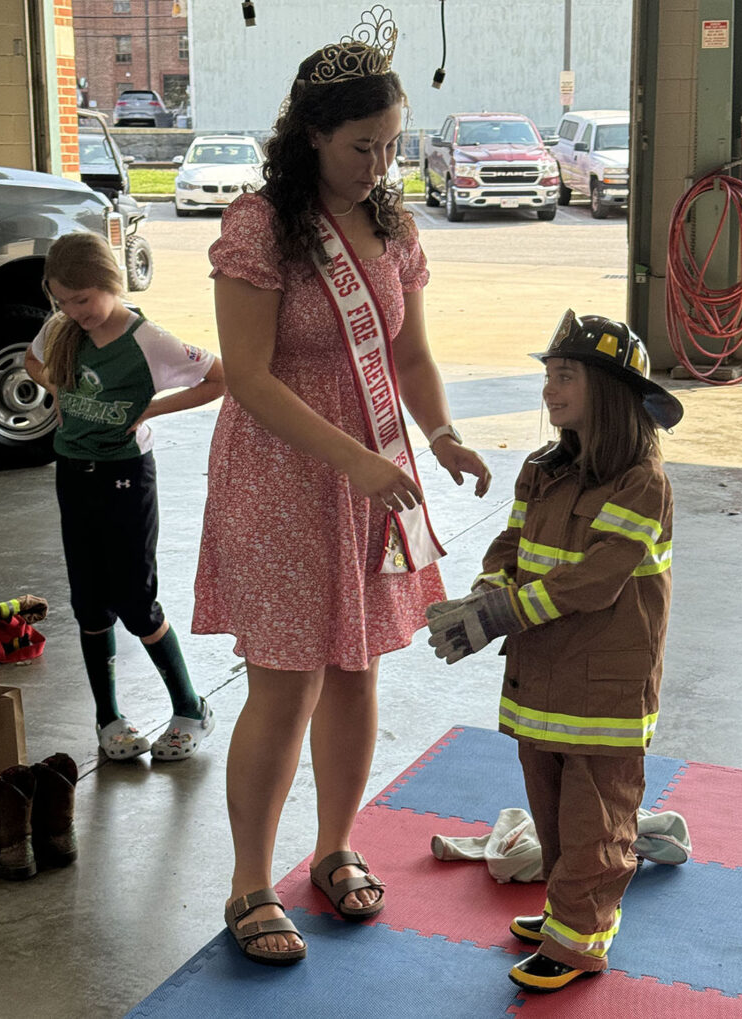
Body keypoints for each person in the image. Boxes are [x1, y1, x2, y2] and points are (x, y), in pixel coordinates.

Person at [192, 7, 491, 967]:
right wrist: (361, 458)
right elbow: (248, 376)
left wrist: (437, 434)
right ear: (312, 135)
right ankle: (248, 881)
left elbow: (410, 352)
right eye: (363, 145)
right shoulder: (258, 227)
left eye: (393, 145)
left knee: (358, 670)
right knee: (287, 680)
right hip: (283, 478)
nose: (379, 164)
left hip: (371, 480)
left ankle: (334, 847)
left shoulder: (390, 222)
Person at [427, 310, 684, 992]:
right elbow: (509, 548)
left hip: (606, 689)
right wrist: (485, 589)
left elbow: (598, 580)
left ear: (608, 388)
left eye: (564, 375)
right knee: (552, 810)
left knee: (596, 818)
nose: (548, 389)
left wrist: (502, 612)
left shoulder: (642, 483)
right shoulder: (542, 470)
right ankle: (568, 911)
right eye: (547, 374)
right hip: (540, 678)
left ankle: (579, 941)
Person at [25, 232, 225, 763]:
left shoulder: (148, 340)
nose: (73, 311)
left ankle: (190, 708)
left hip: (125, 478)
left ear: (109, 284)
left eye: (83, 300)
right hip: (74, 476)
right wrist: (59, 391)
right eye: (62, 301)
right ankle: (107, 718)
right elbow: (32, 361)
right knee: (89, 603)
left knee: (136, 603)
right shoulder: (61, 329)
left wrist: (151, 410)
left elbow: (219, 377)